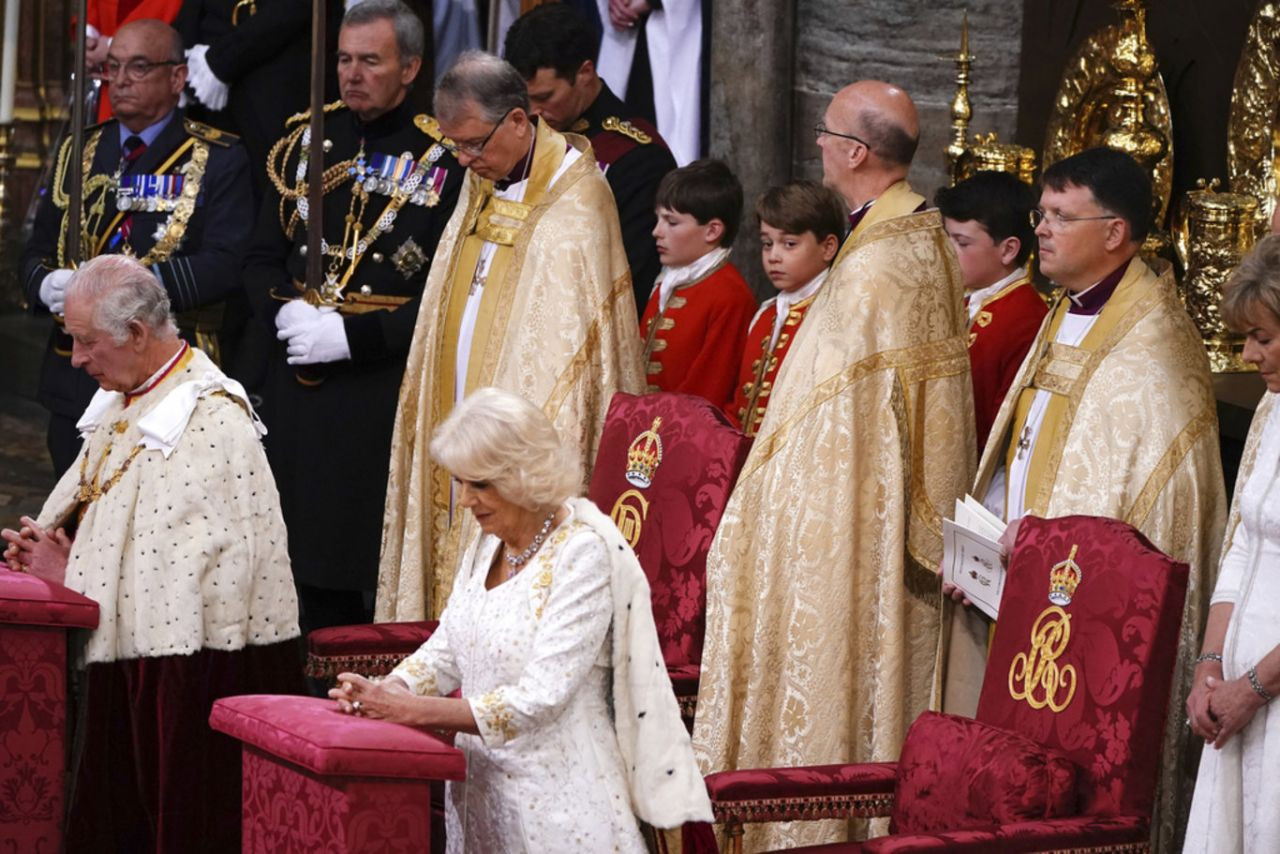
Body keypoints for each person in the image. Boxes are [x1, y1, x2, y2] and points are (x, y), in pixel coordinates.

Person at [691, 80, 975, 850]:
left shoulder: (884, 262)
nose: (816, 145)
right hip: (836, 517)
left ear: (855, 152)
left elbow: (847, 431)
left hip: (846, 536)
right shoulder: (904, 238)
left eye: (824, 133)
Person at [939, 147, 1225, 852]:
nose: (1041, 228)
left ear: (1115, 233)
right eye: (1042, 213)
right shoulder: (1066, 309)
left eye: (1062, 217)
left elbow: (1140, 513)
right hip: (1011, 577)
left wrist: (1034, 550)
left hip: (1079, 617)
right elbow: (1022, 446)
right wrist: (982, 539)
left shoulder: (1151, 348)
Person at [1, 255, 300, 853]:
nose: (77, 359)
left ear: (137, 334)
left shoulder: (210, 420)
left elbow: (179, 581)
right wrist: (49, 544)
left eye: (86, 343)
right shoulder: (129, 396)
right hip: (122, 664)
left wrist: (69, 575)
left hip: (182, 683)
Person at [330, 388, 710, 851]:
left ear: (526, 476)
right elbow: (449, 645)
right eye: (461, 483)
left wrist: (417, 712)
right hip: (477, 793)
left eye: (481, 484)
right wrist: (389, 691)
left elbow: (542, 697)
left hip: (560, 806)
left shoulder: (582, 554)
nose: (466, 500)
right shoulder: (488, 542)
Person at [376, 51, 644, 622]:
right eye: (456, 147)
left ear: (519, 121)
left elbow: (566, 358)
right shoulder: (481, 184)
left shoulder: (578, 201)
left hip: (515, 429)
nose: (467, 159)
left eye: (475, 143)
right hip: (456, 403)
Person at [243, 0, 464, 635]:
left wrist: (354, 336)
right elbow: (259, 258)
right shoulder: (308, 137)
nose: (352, 73)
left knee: (358, 572)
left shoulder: (444, 156)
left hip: (378, 390)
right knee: (291, 568)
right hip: (297, 384)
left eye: (371, 60)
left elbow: (444, 293)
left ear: (411, 68)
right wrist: (285, 315)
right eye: (343, 59)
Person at [21, 18, 255, 477]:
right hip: (77, 373)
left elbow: (226, 264)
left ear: (177, 77)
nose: (122, 80)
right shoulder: (79, 149)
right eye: (113, 68)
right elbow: (34, 251)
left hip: (167, 373)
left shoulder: (218, 157)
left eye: (139, 67)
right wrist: (46, 283)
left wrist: (123, 294)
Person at [1184, 235, 1280, 852]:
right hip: (1239, 688)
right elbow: (1245, 541)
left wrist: (1257, 685)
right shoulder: (1274, 409)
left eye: (1263, 339)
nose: (1247, 354)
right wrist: (1211, 666)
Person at [503, 2, 677, 313]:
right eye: (524, 98)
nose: (531, 112)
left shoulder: (637, 159)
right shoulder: (516, 136)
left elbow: (629, 283)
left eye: (544, 97)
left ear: (585, 73)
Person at [935, 170, 1047, 451]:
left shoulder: (1026, 318)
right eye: (946, 239)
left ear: (1008, 250)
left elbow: (1003, 430)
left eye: (962, 243)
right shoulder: (964, 301)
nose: (947, 252)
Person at [725, 179, 844, 436]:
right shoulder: (766, 314)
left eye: (789, 244)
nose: (773, 256)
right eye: (767, 244)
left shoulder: (833, 316)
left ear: (828, 247)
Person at [638, 159, 756, 405]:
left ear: (712, 231)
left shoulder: (729, 296)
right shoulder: (666, 284)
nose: (656, 231)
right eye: (658, 219)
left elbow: (709, 390)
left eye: (671, 222)